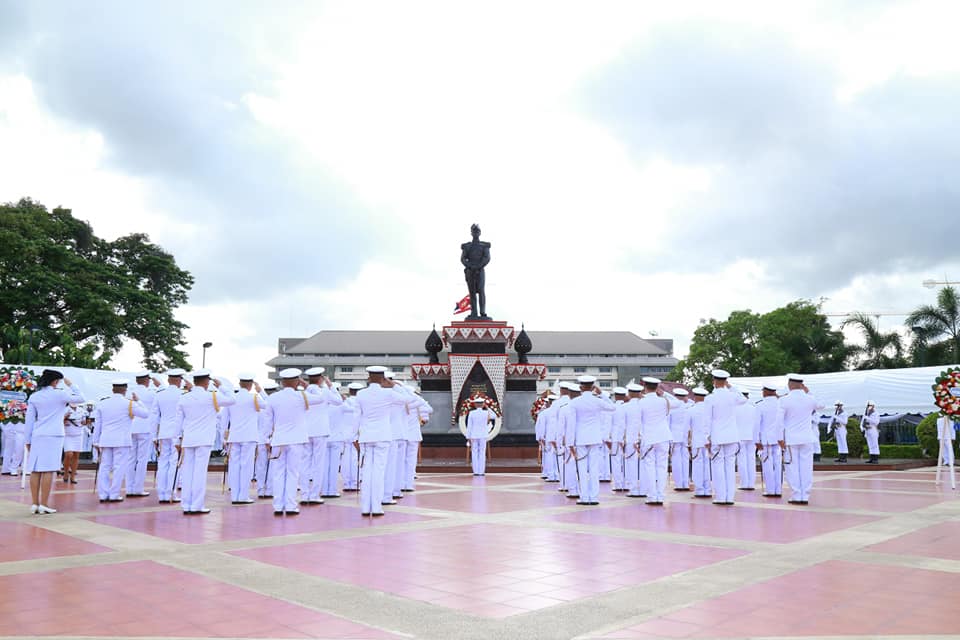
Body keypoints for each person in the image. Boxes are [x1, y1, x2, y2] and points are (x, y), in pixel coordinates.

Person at [263, 368, 327, 515]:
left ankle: (278, 506)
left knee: (278, 473)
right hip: (296, 440)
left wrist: (266, 438)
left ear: (282, 382)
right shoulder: (302, 396)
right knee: (292, 473)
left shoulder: (273, 398)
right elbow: (321, 398)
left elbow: (267, 421)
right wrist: (308, 386)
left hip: (278, 440)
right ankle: (290, 506)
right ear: (297, 381)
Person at [175, 370, 236, 515]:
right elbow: (232, 400)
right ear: (206, 382)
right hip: (204, 440)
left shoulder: (184, 398)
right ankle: (196, 505)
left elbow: (178, 421)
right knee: (199, 473)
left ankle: (187, 504)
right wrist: (221, 387)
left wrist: (176, 439)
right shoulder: (212, 396)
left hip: (188, 439)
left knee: (188, 472)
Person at [23, 369, 84, 514]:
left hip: (37, 435)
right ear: (55, 381)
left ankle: (34, 504)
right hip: (54, 435)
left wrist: (27, 440)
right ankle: (44, 504)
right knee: (48, 469)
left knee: (35, 469)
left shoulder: (35, 396)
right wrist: (72, 385)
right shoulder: (60, 394)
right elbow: (81, 398)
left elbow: (29, 420)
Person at [356, 365, 409, 516]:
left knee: (367, 472)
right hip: (383, 436)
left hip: (366, 436)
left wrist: (355, 436)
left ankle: (366, 507)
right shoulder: (389, 394)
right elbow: (408, 399)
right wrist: (394, 385)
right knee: (379, 471)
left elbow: (357, 415)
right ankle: (376, 507)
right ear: (382, 378)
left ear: (368, 377)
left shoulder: (361, 394)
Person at [92, 380, 148, 502]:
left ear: (113, 389)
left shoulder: (103, 403)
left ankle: (103, 494)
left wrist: (95, 441)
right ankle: (114, 494)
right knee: (119, 467)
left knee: (105, 467)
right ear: (125, 390)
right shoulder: (129, 404)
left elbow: (98, 424)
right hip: (122, 440)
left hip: (106, 439)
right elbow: (145, 414)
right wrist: (139, 401)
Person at [569, 375, 617, 505]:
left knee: (582, 469)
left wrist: (569, 442)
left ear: (580, 387)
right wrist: (602, 394)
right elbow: (613, 407)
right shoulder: (597, 400)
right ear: (593, 387)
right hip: (595, 438)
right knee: (594, 468)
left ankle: (584, 497)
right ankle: (594, 497)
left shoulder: (574, 402)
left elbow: (571, 424)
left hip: (580, 438)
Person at [637, 377, 683, 505]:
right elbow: (679, 403)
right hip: (663, 437)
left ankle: (652, 496)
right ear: (657, 387)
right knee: (662, 467)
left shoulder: (641, 402)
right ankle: (660, 496)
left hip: (649, 438)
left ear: (645, 386)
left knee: (649, 467)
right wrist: (664, 393)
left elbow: (638, 422)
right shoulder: (664, 401)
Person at [223, 373, 267, 504]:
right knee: (246, 466)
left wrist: (224, 438)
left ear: (240, 384)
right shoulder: (253, 398)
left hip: (234, 437)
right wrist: (261, 392)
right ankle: (243, 496)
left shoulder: (232, 398)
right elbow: (268, 405)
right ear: (250, 385)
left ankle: (235, 496)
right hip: (249, 437)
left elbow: (224, 420)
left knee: (234, 466)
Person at [301, 367, 342, 504]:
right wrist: (331, 386)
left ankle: (304, 494)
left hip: (306, 432)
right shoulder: (325, 392)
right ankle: (314, 495)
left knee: (305, 464)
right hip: (320, 432)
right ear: (320, 379)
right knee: (319, 464)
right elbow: (338, 401)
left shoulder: (303, 393)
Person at [705, 370, 747, 505]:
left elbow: (707, 420)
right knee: (729, 467)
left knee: (718, 467)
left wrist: (706, 438)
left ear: (714, 381)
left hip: (717, 436)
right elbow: (744, 399)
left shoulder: (710, 398)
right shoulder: (732, 396)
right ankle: (729, 497)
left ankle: (720, 497)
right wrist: (731, 387)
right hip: (732, 436)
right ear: (725, 382)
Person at [779, 374, 822, 504]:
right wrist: (809, 392)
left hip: (791, 439)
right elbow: (821, 405)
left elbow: (779, 422)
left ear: (790, 385)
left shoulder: (784, 400)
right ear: (802, 385)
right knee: (806, 468)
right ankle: (805, 496)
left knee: (792, 467)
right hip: (807, 438)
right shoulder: (809, 399)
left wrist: (779, 438)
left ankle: (797, 495)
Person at [152, 369, 191, 504]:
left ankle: (162, 493)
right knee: (174, 463)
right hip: (177, 433)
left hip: (163, 432)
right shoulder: (183, 395)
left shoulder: (160, 394)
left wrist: (153, 437)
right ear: (180, 380)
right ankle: (171, 493)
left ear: (168, 380)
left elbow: (154, 417)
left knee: (163, 462)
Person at [125, 371, 159, 498]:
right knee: (142, 459)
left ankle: (129, 488)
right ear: (146, 380)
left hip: (131, 427)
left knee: (130, 459)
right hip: (145, 428)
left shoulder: (129, 392)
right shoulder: (151, 393)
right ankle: (138, 488)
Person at [400, 387, 432, 492]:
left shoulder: (400, 402)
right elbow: (429, 409)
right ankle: (408, 484)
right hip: (412, 435)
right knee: (411, 460)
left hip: (403, 435)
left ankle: (401, 483)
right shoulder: (417, 402)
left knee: (401, 460)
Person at [756, 383, 783, 497]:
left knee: (767, 464)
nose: (762, 392)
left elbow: (756, 424)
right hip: (779, 439)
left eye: (763, 390)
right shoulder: (780, 404)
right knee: (778, 464)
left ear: (767, 391)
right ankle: (778, 490)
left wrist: (757, 440)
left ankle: (770, 490)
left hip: (766, 439)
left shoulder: (761, 405)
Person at [255, 379, 279, 498]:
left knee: (261, 466)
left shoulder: (260, 405)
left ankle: (260, 490)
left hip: (260, 439)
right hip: (272, 439)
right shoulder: (276, 406)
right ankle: (269, 490)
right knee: (272, 466)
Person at [340, 382, 364, 492]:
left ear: (350, 391)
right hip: (358, 434)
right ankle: (355, 482)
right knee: (356, 459)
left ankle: (347, 483)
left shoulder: (344, 403)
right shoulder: (362, 403)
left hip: (345, 435)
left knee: (345, 460)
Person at [688, 387, 712, 498]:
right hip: (708, 441)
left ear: (695, 396)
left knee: (697, 465)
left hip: (697, 441)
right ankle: (707, 489)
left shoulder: (691, 410)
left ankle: (700, 489)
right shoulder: (710, 409)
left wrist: (687, 443)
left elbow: (686, 428)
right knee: (707, 465)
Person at [622, 383, 644, 498]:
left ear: (629, 393)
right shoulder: (644, 405)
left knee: (631, 465)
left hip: (631, 439)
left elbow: (622, 426)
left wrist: (622, 439)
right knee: (645, 465)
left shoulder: (625, 407)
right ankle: (645, 489)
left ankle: (634, 489)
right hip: (644, 438)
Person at [735, 389, 758, 490]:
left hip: (740, 436)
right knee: (751, 459)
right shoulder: (754, 408)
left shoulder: (735, 408)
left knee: (742, 460)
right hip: (752, 436)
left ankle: (744, 483)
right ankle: (751, 483)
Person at [669, 388, 692, 491]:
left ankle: (679, 484)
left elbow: (668, 423)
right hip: (686, 436)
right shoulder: (689, 406)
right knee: (685, 460)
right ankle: (686, 483)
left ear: (675, 395)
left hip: (675, 436)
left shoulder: (672, 408)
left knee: (676, 460)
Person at [466, 397, 493, 475]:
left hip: (473, 435)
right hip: (483, 435)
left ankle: (476, 471)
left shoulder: (472, 413)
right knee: (482, 452)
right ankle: (481, 472)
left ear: (475, 404)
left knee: (474, 452)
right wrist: (487, 407)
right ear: (483, 404)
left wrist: (468, 437)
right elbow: (494, 415)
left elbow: (469, 426)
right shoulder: (486, 413)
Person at [62, 403, 86, 484]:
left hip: (78, 434)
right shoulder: (64, 409)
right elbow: (59, 421)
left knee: (76, 456)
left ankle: (73, 476)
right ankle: (65, 472)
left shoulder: (82, 410)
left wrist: (84, 422)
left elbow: (85, 421)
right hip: (67, 435)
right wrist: (65, 418)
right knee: (69, 454)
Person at [609, 388, 628, 492]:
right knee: (626, 462)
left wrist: (607, 438)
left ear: (615, 396)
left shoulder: (613, 407)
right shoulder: (627, 407)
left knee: (616, 462)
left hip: (616, 438)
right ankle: (626, 483)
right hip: (627, 437)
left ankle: (618, 484)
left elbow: (609, 424)